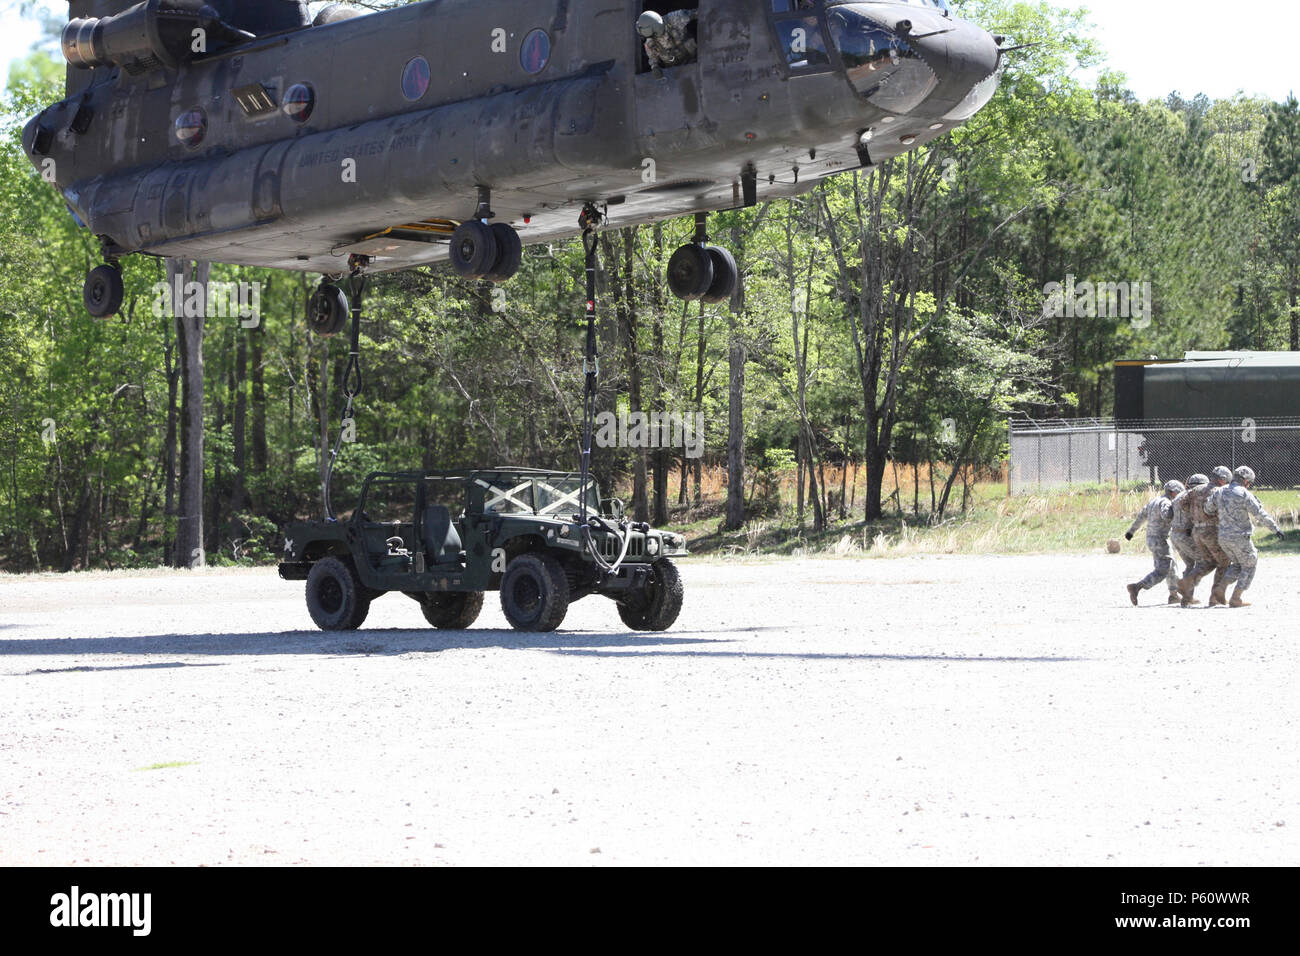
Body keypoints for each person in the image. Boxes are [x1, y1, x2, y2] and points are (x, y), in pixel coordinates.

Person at [1204, 466, 1285, 607]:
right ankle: (1236, 598)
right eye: (1250, 482)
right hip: (1239, 537)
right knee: (1250, 563)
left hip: (1223, 537)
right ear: (1246, 481)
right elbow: (1259, 514)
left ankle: (1220, 589)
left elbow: (1208, 508)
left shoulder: (1220, 491)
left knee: (1237, 565)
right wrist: (1275, 528)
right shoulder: (1244, 494)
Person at [1178, 465, 1233, 607]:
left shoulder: (1196, 490)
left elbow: (1181, 502)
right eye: (1226, 481)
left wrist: (1194, 514)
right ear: (1222, 480)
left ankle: (1187, 588)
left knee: (1208, 562)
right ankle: (1215, 597)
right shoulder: (1219, 491)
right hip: (1212, 531)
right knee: (1224, 562)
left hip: (1197, 531)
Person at [1124, 479, 1184, 606]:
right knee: (1163, 569)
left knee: (1171, 566)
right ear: (1173, 493)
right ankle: (1137, 587)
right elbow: (1166, 515)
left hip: (1151, 538)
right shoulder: (1165, 502)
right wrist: (1177, 511)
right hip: (1161, 539)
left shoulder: (1153, 502)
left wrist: (1131, 532)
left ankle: (1174, 595)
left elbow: (1141, 517)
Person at [1170, 474, 1207, 605]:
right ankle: (1184, 587)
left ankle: (1187, 598)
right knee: (1204, 561)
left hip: (1174, 535)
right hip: (1186, 536)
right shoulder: (1195, 498)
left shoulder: (1179, 496)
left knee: (1190, 564)